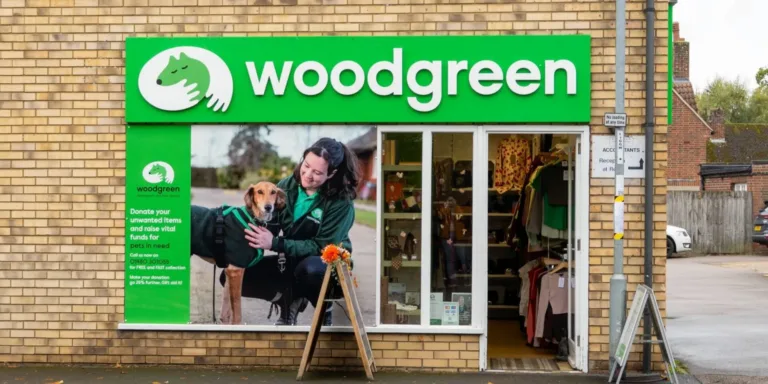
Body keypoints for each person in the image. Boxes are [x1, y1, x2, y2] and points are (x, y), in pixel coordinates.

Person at [233, 137, 360, 326]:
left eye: (317, 172)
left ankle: (324, 306)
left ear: (331, 173)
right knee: (238, 275)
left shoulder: (341, 202)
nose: (307, 174)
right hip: (292, 259)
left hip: (325, 265)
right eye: (306, 165)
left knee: (310, 270)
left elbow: (321, 247)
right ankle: (288, 301)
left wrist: (275, 243)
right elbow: (270, 223)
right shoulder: (287, 185)